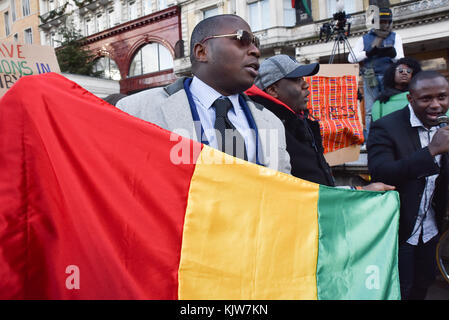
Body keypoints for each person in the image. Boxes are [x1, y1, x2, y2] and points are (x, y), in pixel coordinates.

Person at [116, 14, 291, 173]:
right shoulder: (135, 111)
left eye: (256, 42)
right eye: (242, 39)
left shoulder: (272, 122)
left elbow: (283, 189)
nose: (255, 51)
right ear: (201, 52)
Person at [247, 54, 394, 191]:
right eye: (297, 80)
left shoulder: (298, 121)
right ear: (273, 90)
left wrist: (356, 191)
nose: (306, 85)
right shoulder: (264, 129)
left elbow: (315, 185)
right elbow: (287, 193)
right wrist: (357, 192)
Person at [367, 70, 449, 299]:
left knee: (423, 285)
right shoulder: (386, 127)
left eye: (442, 97)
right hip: (399, 230)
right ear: (410, 98)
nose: (436, 105)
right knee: (399, 289)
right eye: (426, 99)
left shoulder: (445, 127)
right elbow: (381, 173)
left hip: (431, 230)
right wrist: (431, 151)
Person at [348, 7, 404, 139]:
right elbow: (351, 58)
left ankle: (394, 136)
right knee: (369, 110)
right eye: (381, 21)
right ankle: (372, 139)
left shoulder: (396, 37)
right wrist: (367, 53)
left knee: (391, 105)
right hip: (370, 77)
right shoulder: (364, 39)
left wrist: (392, 54)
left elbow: (401, 58)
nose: (384, 24)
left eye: (386, 21)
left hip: (388, 77)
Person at [371, 57, 422, 122]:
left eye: (408, 71)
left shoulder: (419, 98)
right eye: (400, 70)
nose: (405, 73)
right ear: (392, 73)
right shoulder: (380, 102)